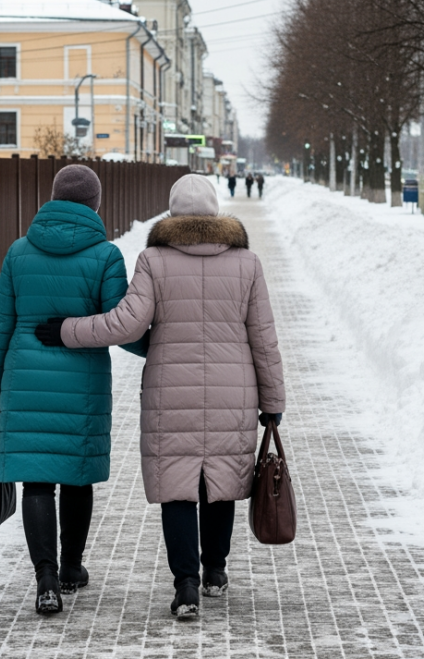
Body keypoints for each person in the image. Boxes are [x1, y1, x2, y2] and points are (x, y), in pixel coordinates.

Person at [34, 175, 285, 620]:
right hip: (233, 392)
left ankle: (185, 586)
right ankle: (214, 571)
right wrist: (274, 401)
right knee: (221, 483)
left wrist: (68, 330)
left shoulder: (153, 260)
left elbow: (125, 325)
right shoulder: (247, 263)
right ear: (214, 210)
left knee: (177, 488)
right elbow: (263, 338)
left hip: (170, 391)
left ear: (172, 212)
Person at [0, 165, 143, 615]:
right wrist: (162, 347)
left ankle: (46, 578)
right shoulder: (106, 256)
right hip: (82, 385)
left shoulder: (18, 252)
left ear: (53, 198)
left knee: (36, 479)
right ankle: (71, 566)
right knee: (76, 475)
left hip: (24, 381)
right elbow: (121, 325)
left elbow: (1, 327)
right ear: (95, 204)